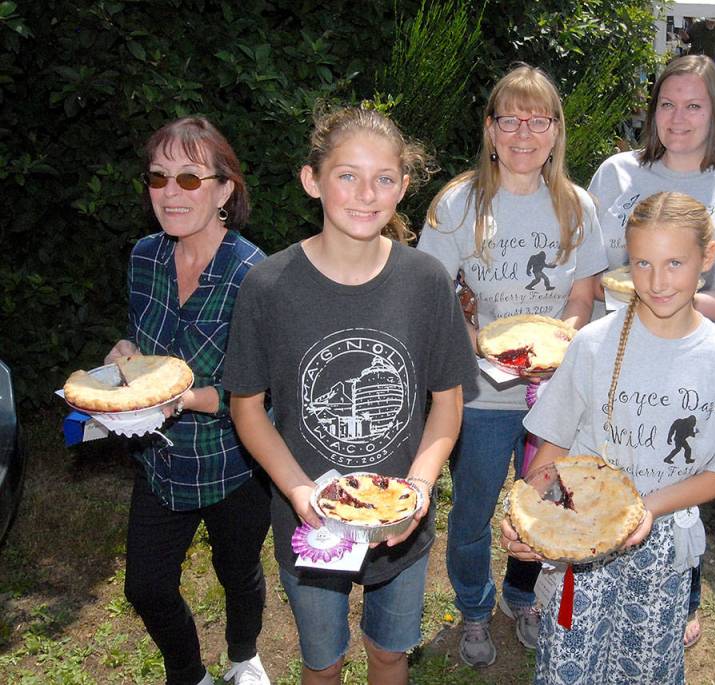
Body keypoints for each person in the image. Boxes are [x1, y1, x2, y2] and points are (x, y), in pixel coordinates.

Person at [224, 107, 478, 685]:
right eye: (347, 175)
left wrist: (418, 486)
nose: (367, 193)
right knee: (324, 661)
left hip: (400, 526)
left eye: (384, 178)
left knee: (389, 654)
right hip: (309, 520)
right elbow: (247, 408)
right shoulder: (268, 286)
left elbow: (447, 401)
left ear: (404, 187)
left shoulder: (425, 281)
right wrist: (297, 490)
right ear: (312, 180)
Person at [502, 191, 715, 683]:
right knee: (570, 663)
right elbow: (553, 442)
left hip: (661, 545)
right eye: (643, 262)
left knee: (643, 666)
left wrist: (649, 508)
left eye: (674, 263)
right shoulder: (595, 343)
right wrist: (529, 513)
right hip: (581, 542)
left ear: (707, 259)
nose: (658, 281)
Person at [587, 53, 715, 651]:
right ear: (652, 110)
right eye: (666, 104)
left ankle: (681, 595)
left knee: (682, 486)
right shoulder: (616, 174)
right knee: (612, 470)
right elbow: (593, 269)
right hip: (621, 361)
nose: (678, 118)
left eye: (694, 104)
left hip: (702, 371)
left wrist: (682, 305)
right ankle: (590, 583)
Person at [418, 64, 607, 666]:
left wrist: (562, 340)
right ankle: (474, 608)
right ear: (491, 129)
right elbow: (433, 291)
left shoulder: (575, 205)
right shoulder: (457, 204)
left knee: (545, 505)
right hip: (481, 396)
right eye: (510, 119)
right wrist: (475, 340)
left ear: (555, 131)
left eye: (538, 120)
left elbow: (584, 291)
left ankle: (520, 596)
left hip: (555, 396)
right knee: (473, 512)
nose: (523, 133)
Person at [107, 116, 272, 685]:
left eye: (190, 179)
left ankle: (244, 656)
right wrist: (126, 354)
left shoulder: (254, 273)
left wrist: (183, 399)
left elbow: (256, 388)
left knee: (238, 568)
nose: (171, 193)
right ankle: (188, 673)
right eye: (158, 179)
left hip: (234, 463)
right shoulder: (145, 256)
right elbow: (146, 345)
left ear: (225, 189)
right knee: (146, 586)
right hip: (161, 459)